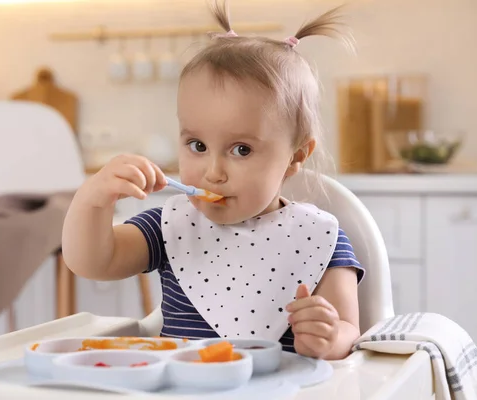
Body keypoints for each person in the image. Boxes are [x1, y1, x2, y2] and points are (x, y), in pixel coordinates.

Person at [62, 1, 364, 360]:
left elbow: (349, 330)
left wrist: (330, 337)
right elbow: (93, 261)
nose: (213, 171)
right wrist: (92, 200)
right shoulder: (169, 225)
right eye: (198, 145)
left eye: (241, 150)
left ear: (295, 156)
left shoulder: (318, 237)